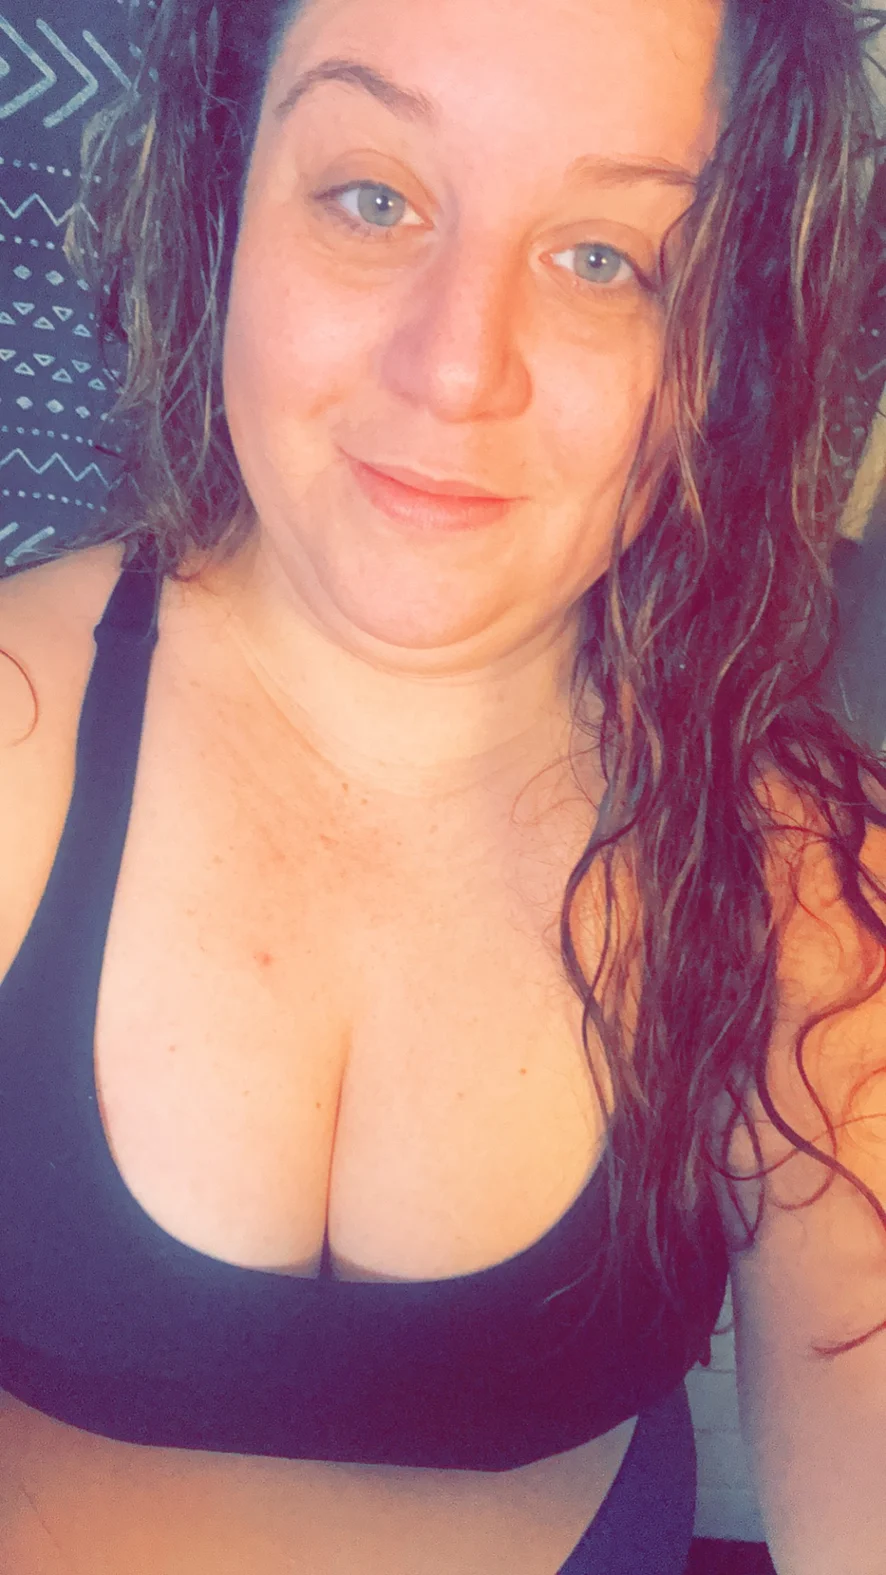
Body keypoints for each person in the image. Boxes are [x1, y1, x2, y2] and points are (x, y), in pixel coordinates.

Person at [0, 0, 884, 1571]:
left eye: (602, 257)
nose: (456, 367)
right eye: (372, 198)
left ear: (719, 341)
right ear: (225, 201)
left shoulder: (796, 882)